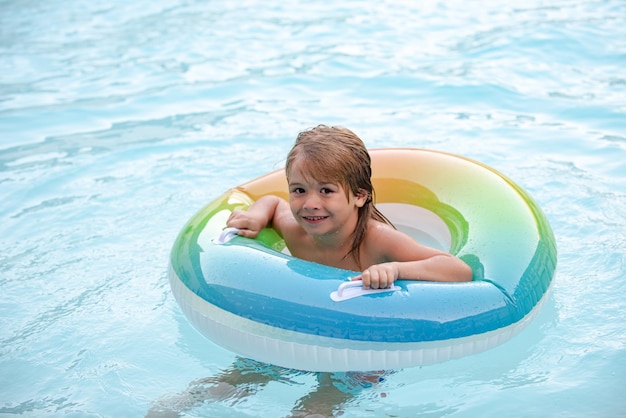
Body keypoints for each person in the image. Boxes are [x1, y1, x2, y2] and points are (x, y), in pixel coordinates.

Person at [227, 124, 473, 287]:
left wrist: (396, 269)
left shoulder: (378, 240)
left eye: (326, 191)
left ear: (360, 196)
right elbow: (272, 203)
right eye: (299, 190)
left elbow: (458, 269)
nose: (310, 204)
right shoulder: (294, 230)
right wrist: (256, 217)